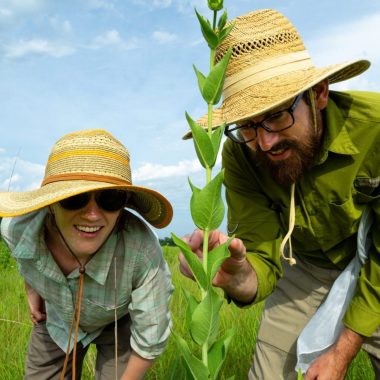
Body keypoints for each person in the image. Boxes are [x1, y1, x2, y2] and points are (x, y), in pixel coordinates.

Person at [180, 8, 380, 380]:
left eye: (276, 115)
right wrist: (237, 275)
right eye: (248, 125)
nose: (266, 141)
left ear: (318, 94)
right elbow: (260, 256)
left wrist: (341, 352)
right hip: (305, 266)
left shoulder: (376, 130)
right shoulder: (241, 151)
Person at [0, 129, 174, 380]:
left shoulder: (142, 251)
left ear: (123, 204)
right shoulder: (18, 229)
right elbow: (20, 252)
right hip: (58, 319)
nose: (92, 214)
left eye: (110, 198)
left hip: (118, 322)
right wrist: (33, 287)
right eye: (75, 198)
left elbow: (151, 337)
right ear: (51, 202)